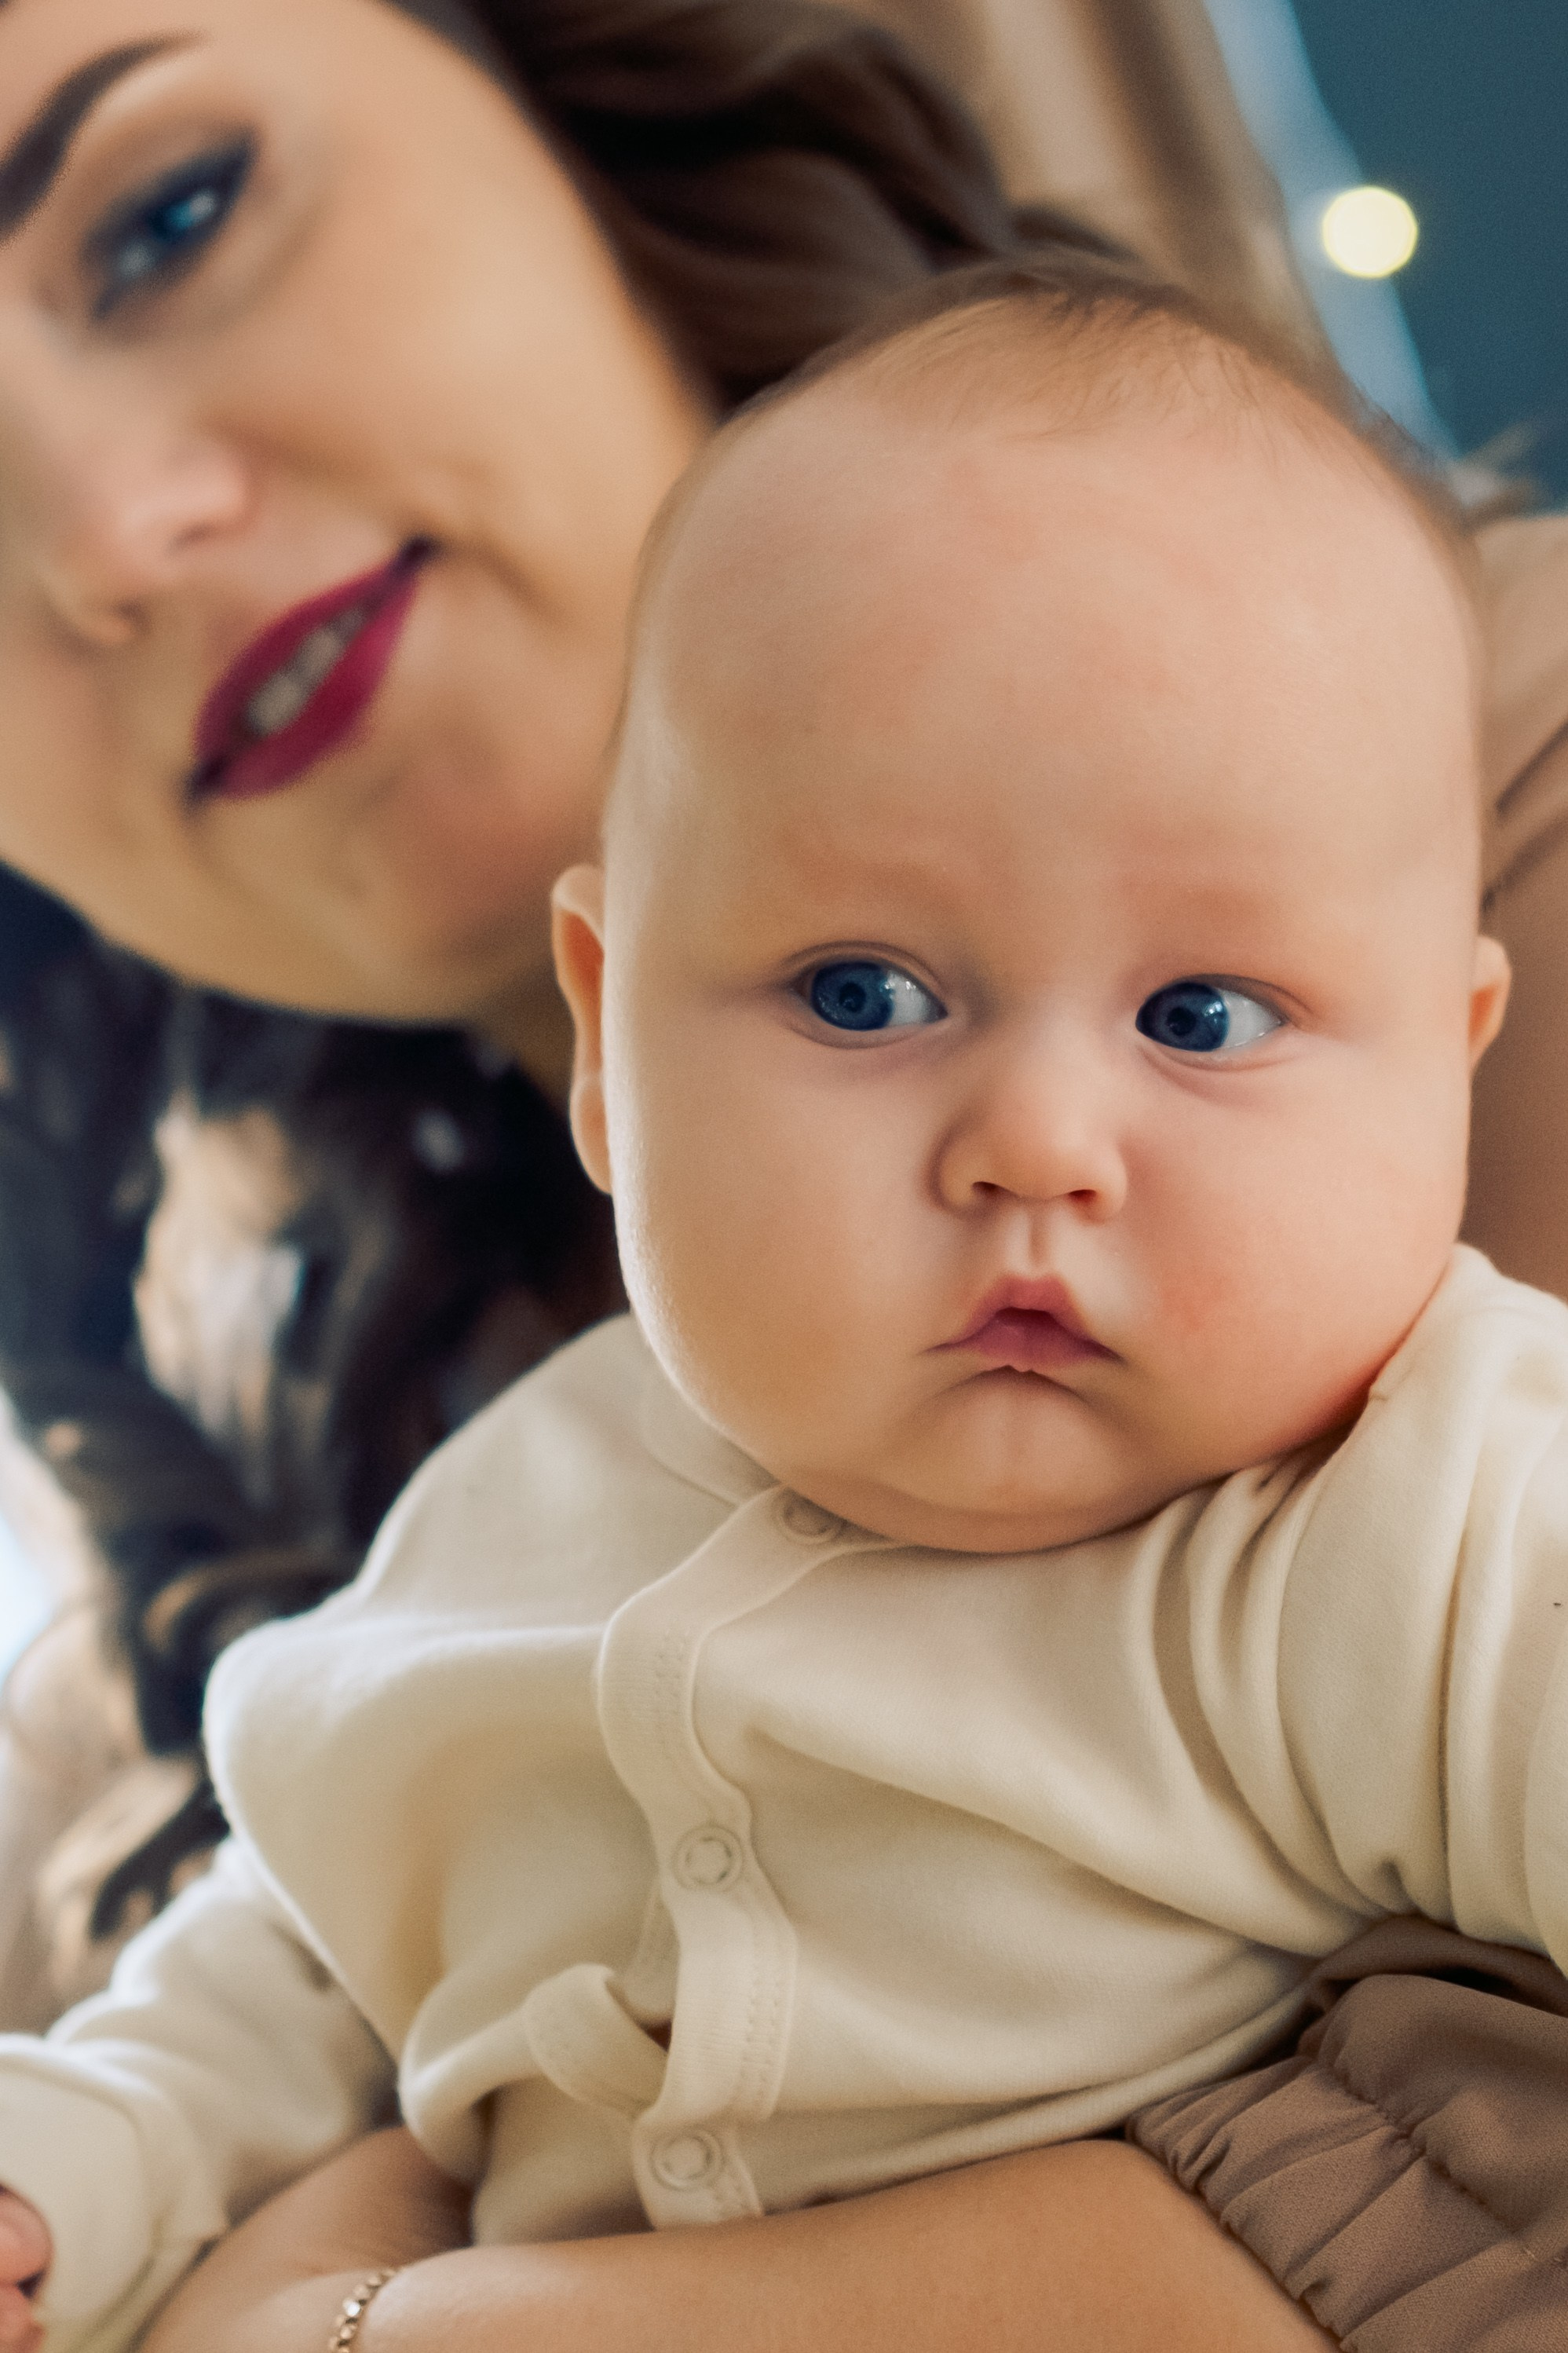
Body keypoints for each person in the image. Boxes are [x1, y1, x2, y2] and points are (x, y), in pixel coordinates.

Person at [0, 248, 1548, 2353]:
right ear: (614, 1040)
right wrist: (79, 2167)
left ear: (1448, 1062)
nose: (1037, 1141)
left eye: (1204, 1011)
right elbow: (298, 1956)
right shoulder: (507, 1509)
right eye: (864, 991)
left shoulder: (1405, 1515)